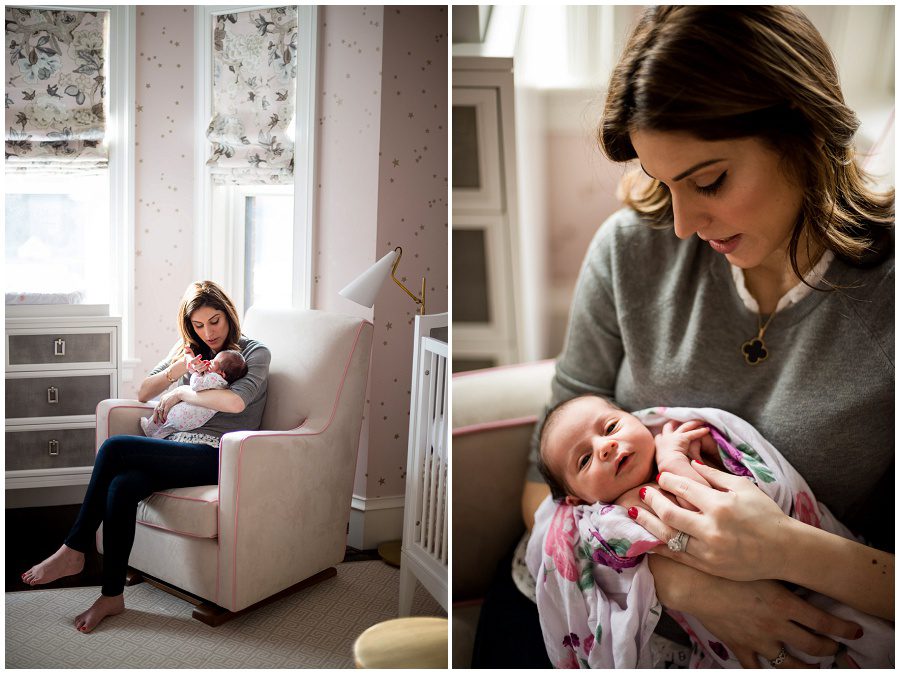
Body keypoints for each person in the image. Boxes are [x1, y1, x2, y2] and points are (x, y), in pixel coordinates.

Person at [473, 5, 893, 669]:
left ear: (803, 134)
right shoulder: (630, 250)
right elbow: (543, 481)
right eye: (663, 184)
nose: (681, 223)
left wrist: (783, 551)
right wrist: (676, 583)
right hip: (591, 603)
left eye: (709, 181)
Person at [529, 395, 892, 667]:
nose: (605, 447)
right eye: (585, 460)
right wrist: (674, 464)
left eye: (610, 428)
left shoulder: (683, 445)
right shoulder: (607, 519)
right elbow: (676, 521)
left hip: (816, 573)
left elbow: (728, 508)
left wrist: (672, 457)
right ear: (577, 500)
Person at [20, 281, 271, 634]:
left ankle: (74, 548)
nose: (208, 333)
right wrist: (176, 369)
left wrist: (182, 391)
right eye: (198, 325)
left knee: (115, 448)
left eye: (215, 321)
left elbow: (235, 402)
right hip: (180, 445)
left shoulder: (253, 353)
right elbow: (144, 390)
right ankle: (111, 596)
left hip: (219, 454)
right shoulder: (192, 350)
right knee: (123, 485)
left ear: (228, 314)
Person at [140, 349, 248, 439]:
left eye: (214, 362)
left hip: (186, 414)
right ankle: (156, 436)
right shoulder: (224, 385)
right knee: (168, 428)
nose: (209, 361)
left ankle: (149, 428)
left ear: (222, 373)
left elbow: (196, 386)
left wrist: (197, 373)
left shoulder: (214, 378)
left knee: (167, 418)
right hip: (194, 421)